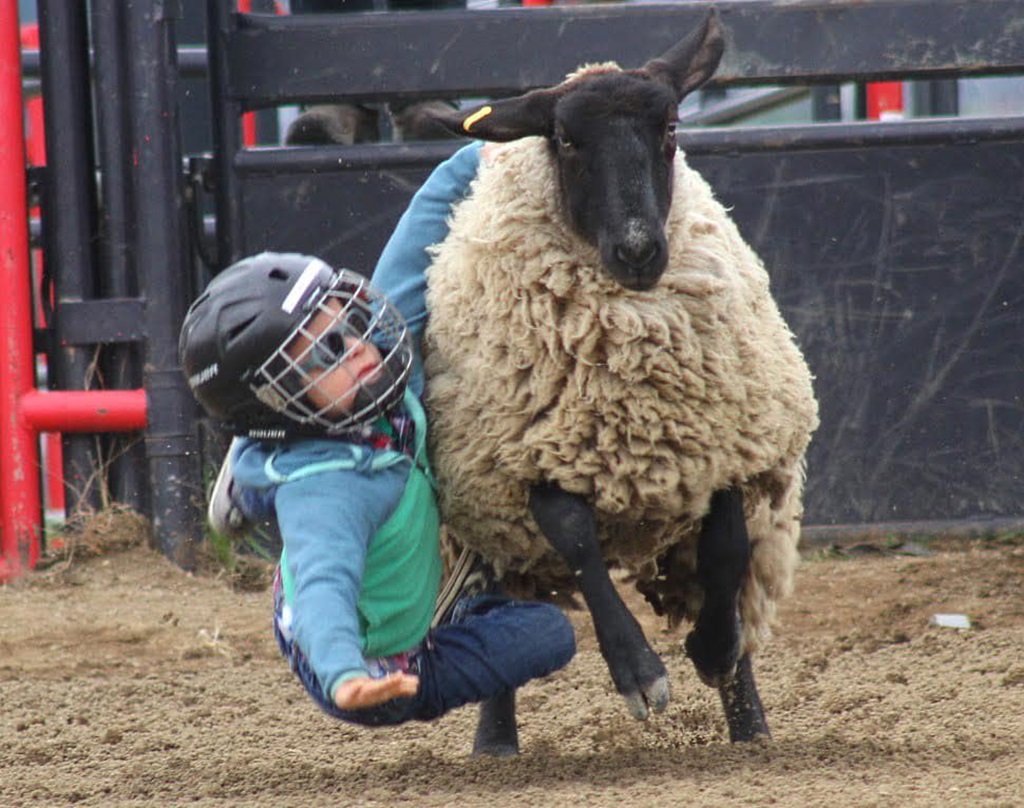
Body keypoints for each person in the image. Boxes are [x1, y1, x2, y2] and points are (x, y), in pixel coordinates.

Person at [179, 250, 574, 724]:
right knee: (551, 633)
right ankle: (257, 473)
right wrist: (345, 676)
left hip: (326, 464)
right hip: (373, 665)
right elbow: (323, 589)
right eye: (325, 353)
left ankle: (253, 469)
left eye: (350, 320)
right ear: (276, 404)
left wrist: (475, 170)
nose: (355, 345)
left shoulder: (371, 376)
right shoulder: (330, 492)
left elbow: (413, 248)